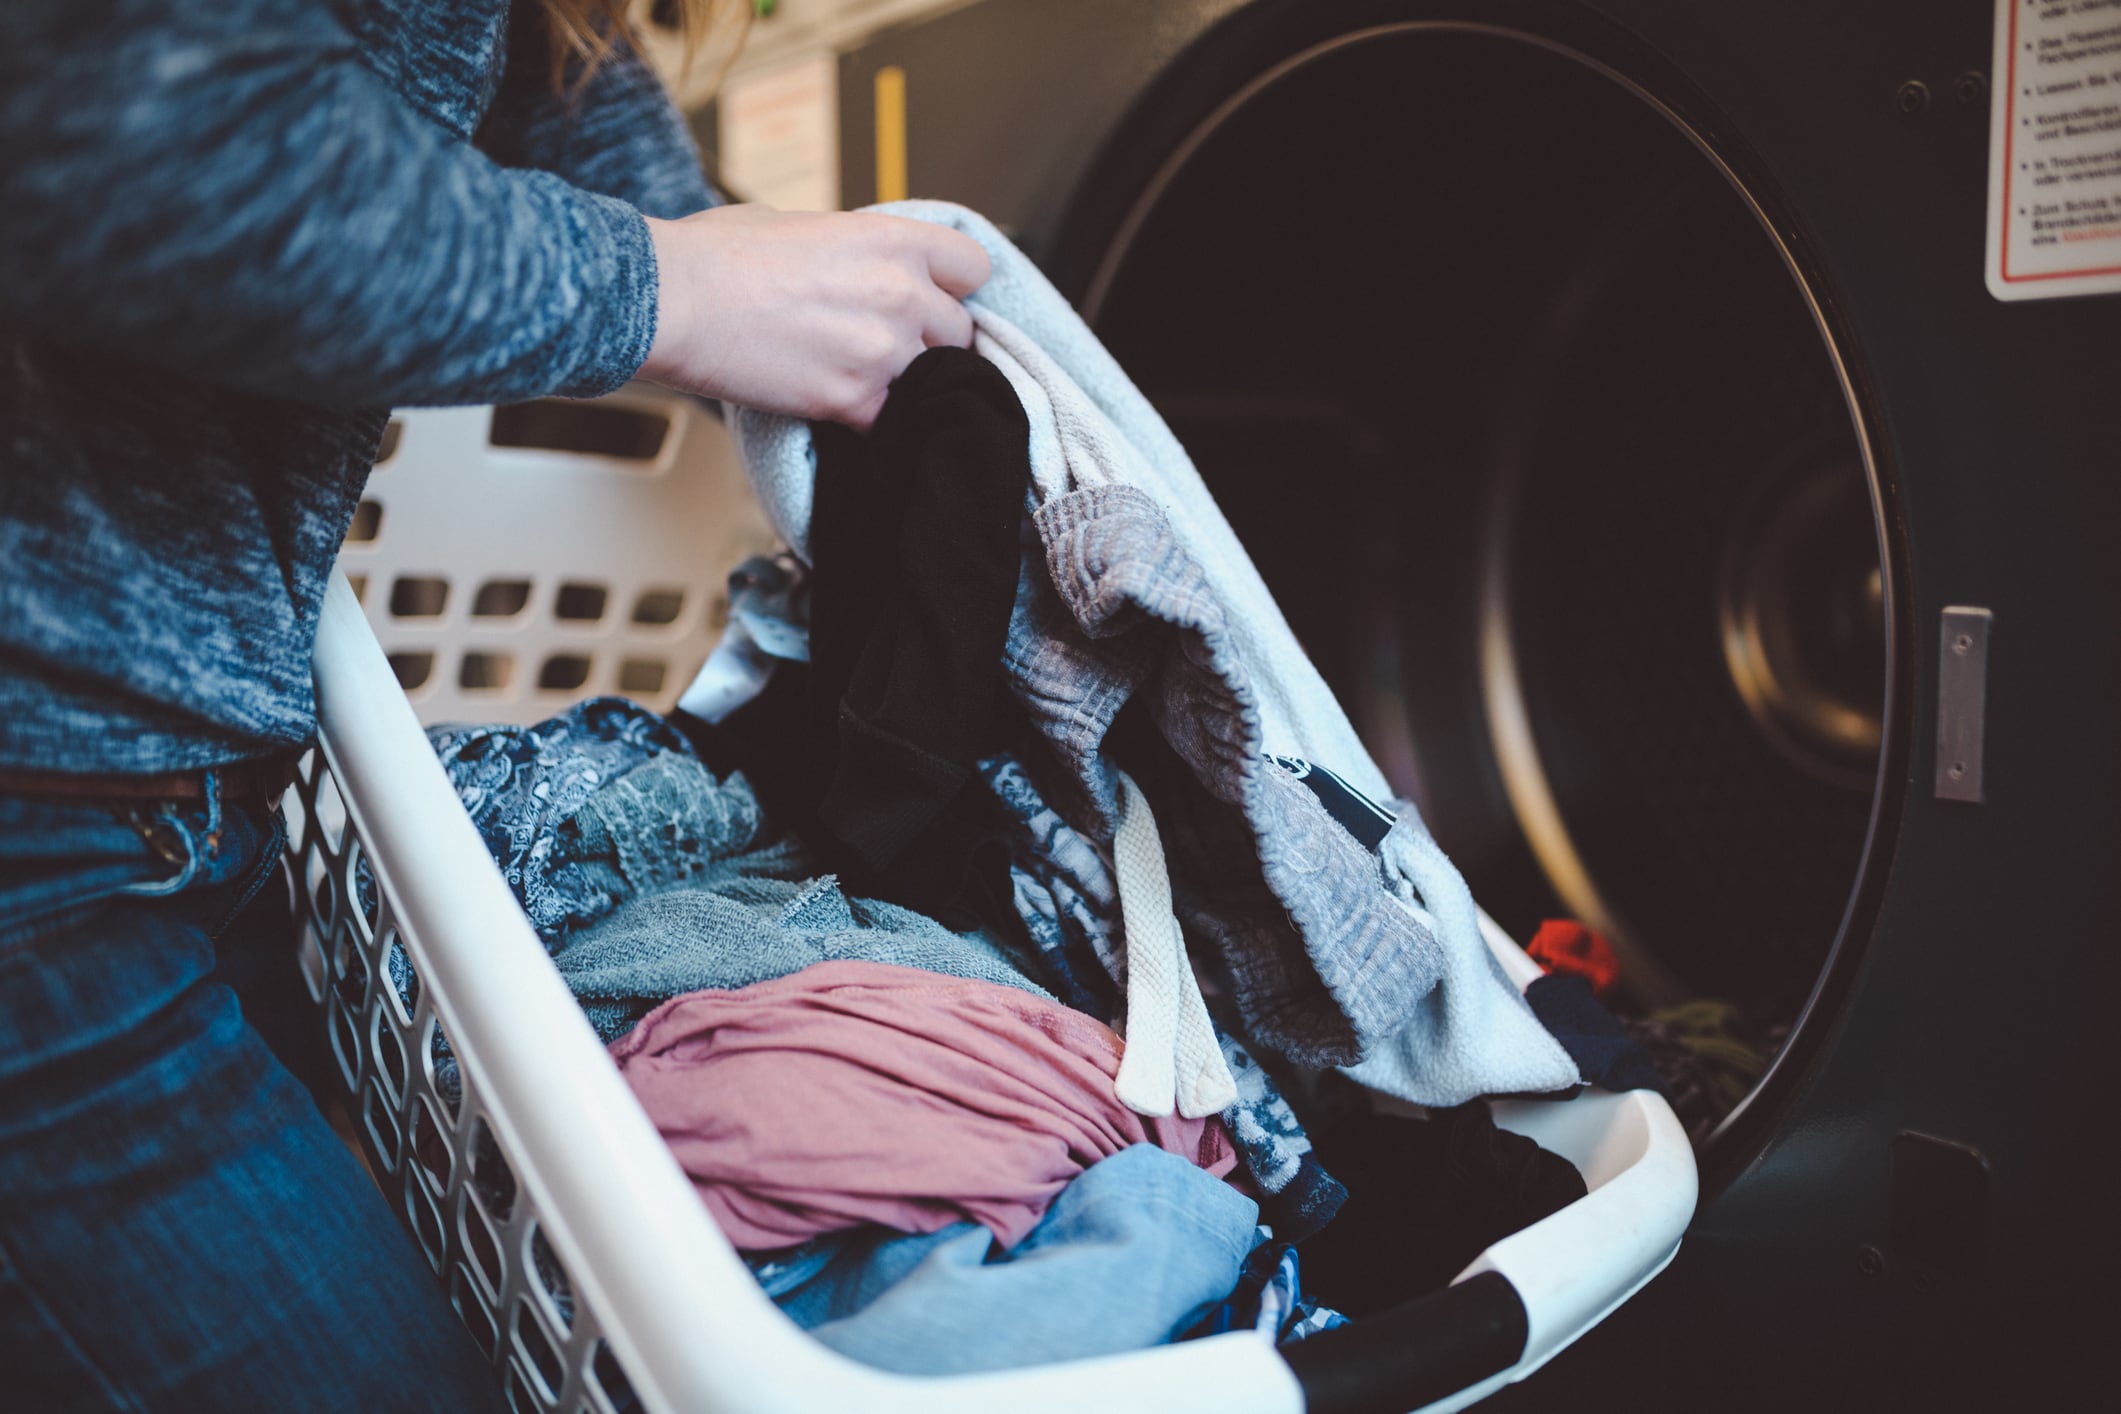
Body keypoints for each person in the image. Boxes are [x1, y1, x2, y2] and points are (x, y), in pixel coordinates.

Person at [0, 1, 989, 1408]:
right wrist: (681, 290)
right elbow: (120, 120)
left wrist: (802, 317)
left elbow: (603, 163)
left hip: (179, 796)